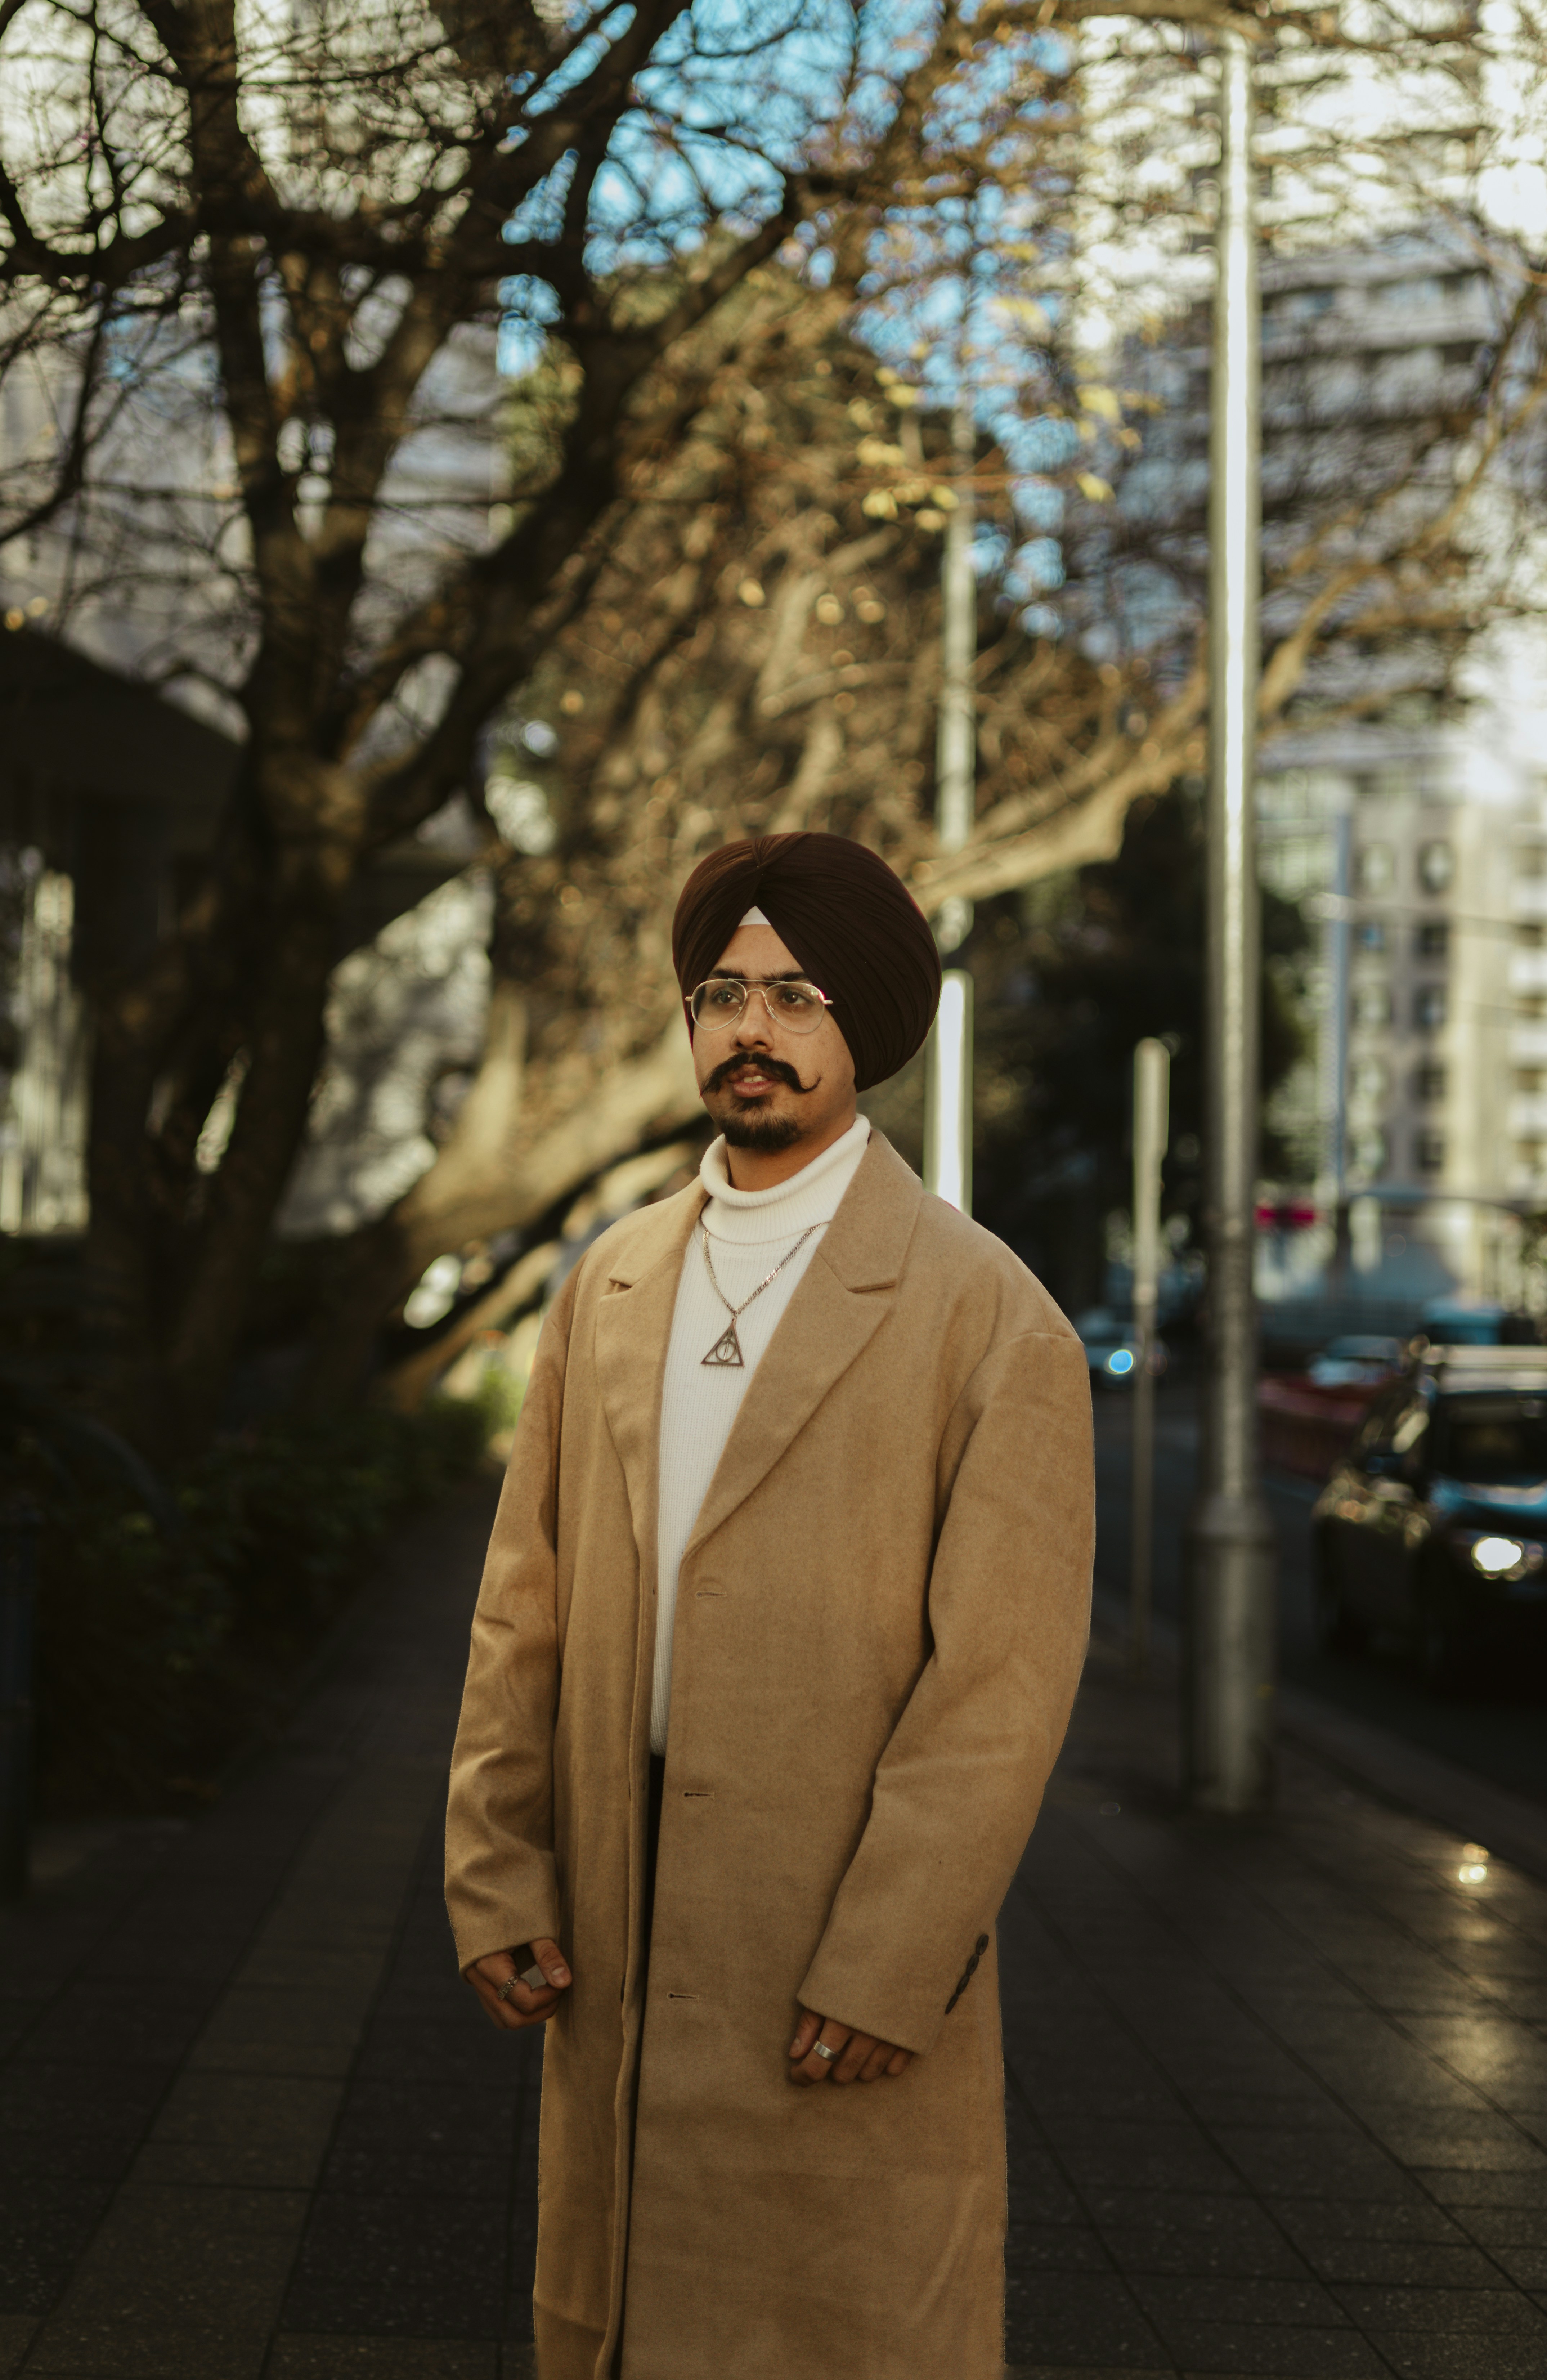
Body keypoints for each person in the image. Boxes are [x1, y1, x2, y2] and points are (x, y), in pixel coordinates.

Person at [445, 829, 1096, 2380]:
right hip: (618, 1894)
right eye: (723, 992)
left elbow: (998, 1691)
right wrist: (496, 1870)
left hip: (826, 1930)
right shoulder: (608, 1279)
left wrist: (890, 1961)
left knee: (837, 2331)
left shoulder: (986, 1313)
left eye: (796, 994)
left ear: (861, 1023)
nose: (752, 1028)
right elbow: (516, 1609)